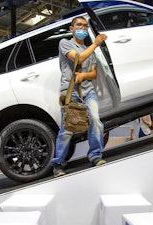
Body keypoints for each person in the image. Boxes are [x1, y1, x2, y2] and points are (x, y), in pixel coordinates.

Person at [50, 16, 108, 177]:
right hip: (70, 93)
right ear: (72, 29)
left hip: (88, 92)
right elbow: (78, 58)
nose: (82, 28)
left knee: (96, 121)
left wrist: (83, 75)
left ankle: (95, 156)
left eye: (85, 26)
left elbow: (94, 73)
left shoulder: (90, 50)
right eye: (79, 25)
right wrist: (96, 44)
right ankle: (58, 164)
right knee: (67, 129)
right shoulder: (65, 43)